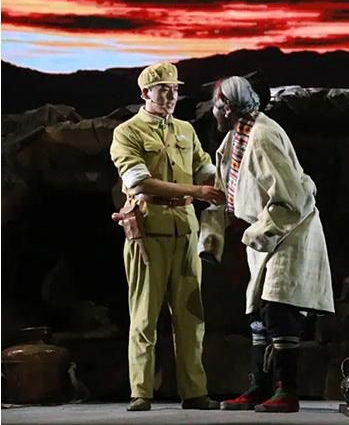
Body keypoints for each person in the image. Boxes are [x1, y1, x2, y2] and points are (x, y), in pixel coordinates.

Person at [199, 76, 334, 413]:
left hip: (290, 231)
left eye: (215, 105)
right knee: (259, 312)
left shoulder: (262, 136)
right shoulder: (235, 138)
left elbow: (292, 198)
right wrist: (211, 241)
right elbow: (223, 193)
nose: (212, 111)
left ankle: (286, 391)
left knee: (279, 309)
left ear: (227, 108)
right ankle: (260, 387)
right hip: (265, 234)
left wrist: (256, 233)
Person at [110, 62, 225, 412]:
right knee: (145, 314)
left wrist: (231, 178)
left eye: (175, 89)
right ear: (146, 92)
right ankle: (141, 391)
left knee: (191, 314)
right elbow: (140, 183)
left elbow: (205, 169)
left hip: (186, 230)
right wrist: (197, 190)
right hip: (149, 230)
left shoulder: (185, 130)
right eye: (164, 89)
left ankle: (195, 391)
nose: (172, 95)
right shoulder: (127, 132)